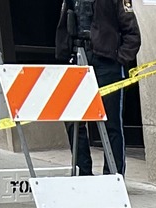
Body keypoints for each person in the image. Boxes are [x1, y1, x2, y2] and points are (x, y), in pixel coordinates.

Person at [56, 0, 139, 178]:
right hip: (76, 59)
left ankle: (113, 177)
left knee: (111, 123)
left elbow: (132, 34)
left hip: (106, 63)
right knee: (73, 121)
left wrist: (120, 58)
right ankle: (83, 173)